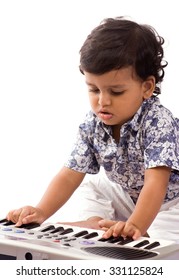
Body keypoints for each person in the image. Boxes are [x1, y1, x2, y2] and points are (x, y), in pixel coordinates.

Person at [6, 16, 179, 241]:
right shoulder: (93, 123)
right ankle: (95, 223)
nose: (103, 101)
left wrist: (135, 224)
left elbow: (156, 182)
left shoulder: (158, 121)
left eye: (116, 92)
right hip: (129, 196)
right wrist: (41, 211)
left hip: (170, 202)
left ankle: (140, 231)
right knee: (92, 187)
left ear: (146, 87)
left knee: (166, 233)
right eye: (94, 90)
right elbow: (69, 175)